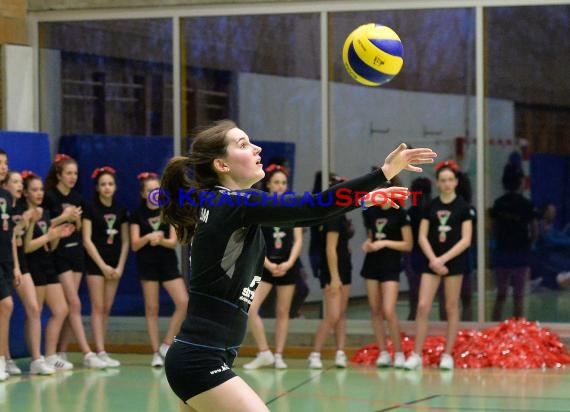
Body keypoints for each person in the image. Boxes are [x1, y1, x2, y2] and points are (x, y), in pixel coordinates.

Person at [160, 119, 436, 411]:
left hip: (198, 356)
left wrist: (363, 200)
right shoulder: (235, 203)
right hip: (200, 361)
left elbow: (308, 215)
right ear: (222, 165)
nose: (256, 148)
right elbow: (312, 207)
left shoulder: (222, 203)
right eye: (242, 144)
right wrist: (384, 173)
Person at [404, 160, 473, 371]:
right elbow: (422, 236)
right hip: (431, 262)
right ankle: (416, 354)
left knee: (451, 306)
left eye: (450, 180)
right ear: (437, 183)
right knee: (423, 306)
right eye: (443, 180)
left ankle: (447, 355)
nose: (447, 184)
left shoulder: (464, 207)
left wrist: (444, 259)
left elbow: (466, 239)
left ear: (456, 181)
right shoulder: (430, 206)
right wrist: (434, 259)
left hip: (453, 261)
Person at [43, 154, 106, 369]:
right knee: (75, 303)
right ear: (59, 175)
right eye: (68, 173)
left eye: (75, 173)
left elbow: (78, 229)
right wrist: (63, 216)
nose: (72, 177)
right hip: (58, 254)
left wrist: (76, 220)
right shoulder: (50, 197)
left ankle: (62, 350)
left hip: (76, 253)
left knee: (72, 305)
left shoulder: (79, 198)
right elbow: (45, 226)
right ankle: (88, 354)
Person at [243, 164, 303, 370]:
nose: (280, 186)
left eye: (283, 183)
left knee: (283, 311)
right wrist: (267, 264)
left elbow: (298, 239)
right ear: (268, 184)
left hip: (287, 266)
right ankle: (264, 352)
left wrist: (288, 263)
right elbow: (253, 240)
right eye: (276, 182)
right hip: (265, 266)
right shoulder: (261, 207)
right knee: (250, 308)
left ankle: (278, 354)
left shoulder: (292, 205)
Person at [130, 171, 189, 367]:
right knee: (152, 308)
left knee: (183, 302)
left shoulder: (167, 211)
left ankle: (166, 343)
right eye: (149, 190)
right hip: (147, 265)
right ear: (143, 193)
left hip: (167, 263)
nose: (153, 193)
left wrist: (161, 239)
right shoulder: (137, 215)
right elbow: (135, 244)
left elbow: (174, 241)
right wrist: (148, 238)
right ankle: (155, 352)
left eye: (156, 189)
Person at [22, 171, 76, 372]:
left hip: (48, 264)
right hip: (33, 266)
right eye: (34, 190)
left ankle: (51, 355)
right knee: (34, 312)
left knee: (61, 309)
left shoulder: (44, 213)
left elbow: (50, 245)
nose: (39, 193)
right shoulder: (24, 214)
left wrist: (57, 235)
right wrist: (48, 236)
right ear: (25, 193)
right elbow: (27, 247)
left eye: (41, 189)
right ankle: (36, 358)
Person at [3, 170, 54, 375]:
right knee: (5, 310)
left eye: (19, 183)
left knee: (34, 308)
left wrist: (29, 221)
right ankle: (5, 358)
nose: (18, 186)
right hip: (8, 264)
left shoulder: (24, 208)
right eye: (13, 182)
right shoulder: (7, 209)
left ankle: (36, 359)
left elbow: (20, 243)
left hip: (21, 265)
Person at [360, 176, 412, 368]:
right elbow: (371, 237)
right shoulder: (371, 213)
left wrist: (385, 243)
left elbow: (408, 244)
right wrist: (369, 243)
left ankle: (398, 352)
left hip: (391, 265)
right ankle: (383, 352)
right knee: (375, 310)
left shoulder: (400, 214)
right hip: (372, 264)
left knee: (389, 310)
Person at [83, 167, 130, 367]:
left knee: (107, 308)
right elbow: (86, 240)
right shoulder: (90, 208)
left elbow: (126, 241)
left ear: (115, 187)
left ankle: (102, 351)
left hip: (114, 266)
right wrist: (102, 266)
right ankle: (99, 350)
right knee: (98, 306)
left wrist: (119, 267)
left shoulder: (121, 210)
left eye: (110, 184)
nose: (107, 187)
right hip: (96, 265)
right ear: (97, 187)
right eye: (103, 184)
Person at [307, 174, 354, 370]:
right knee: (333, 315)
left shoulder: (341, 214)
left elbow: (342, 245)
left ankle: (340, 352)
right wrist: (334, 278)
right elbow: (330, 249)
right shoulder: (333, 216)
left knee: (341, 314)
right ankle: (315, 353)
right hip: (333, 271)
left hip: (345, 267)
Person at [490, 162, 536, 320]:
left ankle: (492, 328)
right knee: (518, 296)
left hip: (503, 251)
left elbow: (493, 228)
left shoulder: (499, 204)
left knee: (501, 295)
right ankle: (518, 331)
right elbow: (534, 230)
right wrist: (528, 243)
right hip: (520, 253)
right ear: (520, 182)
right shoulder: (526, 205)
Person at [0, 150, 20, 381]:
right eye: (0, 163)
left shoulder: (6, 196)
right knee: (6, 305)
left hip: (6, 260)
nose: (3, 166)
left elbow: (12, 234)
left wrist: (15, 266)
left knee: (5, 307)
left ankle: (3, 359)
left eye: (6, 162)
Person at [403, 177, 432, 320]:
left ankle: (416, 321)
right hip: (414, 255)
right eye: (419, 195)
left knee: (421, 295)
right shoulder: (410, 214)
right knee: (415, 294)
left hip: (428, 255)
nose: (423, 199)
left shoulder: (431, 212)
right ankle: (413, 321)